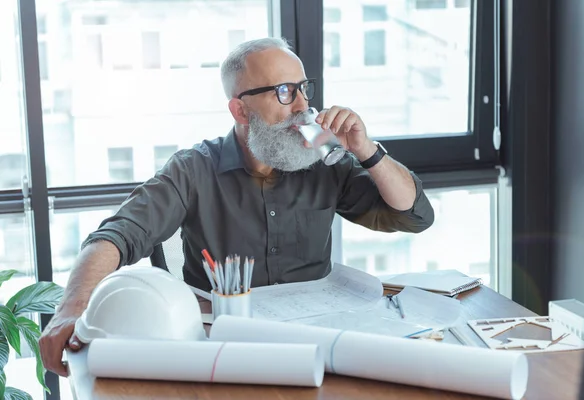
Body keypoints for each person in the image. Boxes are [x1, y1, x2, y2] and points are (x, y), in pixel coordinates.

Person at [39, 37, 434, 376]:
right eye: (284, 91)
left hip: (320, 343)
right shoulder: (194, 168)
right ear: (240, 110)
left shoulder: (322, 162)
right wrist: (72, 308)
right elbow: (117, 234)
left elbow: (414, 215)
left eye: (303, 88)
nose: (303, 106)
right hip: (223, 351)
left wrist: (366, 149)